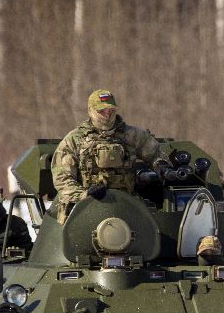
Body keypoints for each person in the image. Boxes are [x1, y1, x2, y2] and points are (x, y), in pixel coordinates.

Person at [51, 89, 167, 221]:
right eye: (102, 111)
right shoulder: (74, 140)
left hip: (126, 206)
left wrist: (161, 166)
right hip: (86, 209)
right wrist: (85, 195)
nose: (107, 115)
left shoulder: (132, 135)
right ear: (91, 111)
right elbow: (62, 178)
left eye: (111, 111)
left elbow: (155, 153)